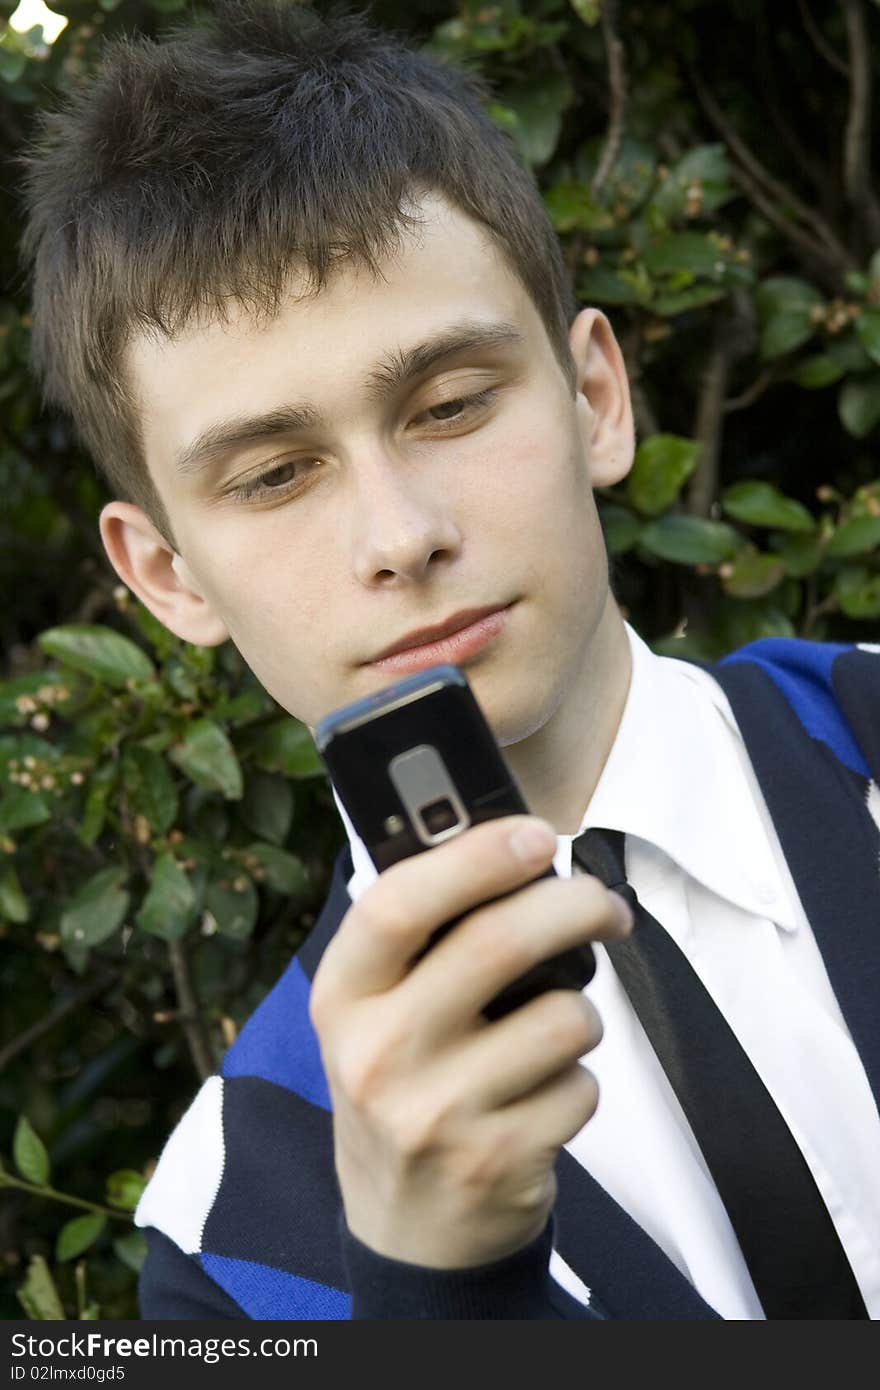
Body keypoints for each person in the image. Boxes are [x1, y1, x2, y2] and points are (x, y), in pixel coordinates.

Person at [20, 0, 880, 1321]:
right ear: (168, 575)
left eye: (453, 404)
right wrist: (435, 1293)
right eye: (274, 474)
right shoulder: (224, 1243)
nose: (399, 536)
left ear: (596, 396)